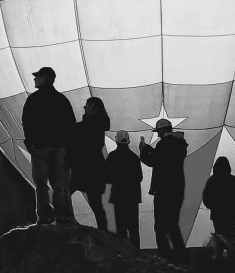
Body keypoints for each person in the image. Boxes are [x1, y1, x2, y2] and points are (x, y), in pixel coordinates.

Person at [21, 66, 76, 225]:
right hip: (59, 148)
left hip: (40, 148)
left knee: (40, 184)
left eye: (37, 76)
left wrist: (30, 143)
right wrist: (68, 148)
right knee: (60, 185)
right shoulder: (61, 100)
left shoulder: (33, 99)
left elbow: (27, 122)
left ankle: (44, 216)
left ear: (46, 78)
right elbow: (70, 125)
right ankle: (61, 216)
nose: (34, 79)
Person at [139, 118, 188, 261]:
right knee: (173, 224)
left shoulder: (164, 145)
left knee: (160, 226)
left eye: (158, 132)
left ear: (162, 131)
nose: (158, 135)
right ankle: (181, 254)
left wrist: (143, 150)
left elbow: (154, 161)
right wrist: (149, 149)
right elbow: (162, 158)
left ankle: (165, 255)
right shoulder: (179, 145)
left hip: (164, 190)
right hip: (177, 189)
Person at [69, 96, 110, 230]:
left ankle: (61, 220)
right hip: (93, 169)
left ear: (93, 107)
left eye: (87, 104)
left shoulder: (90, 125)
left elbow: (81, 142)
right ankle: (103, 233)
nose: (84, 107)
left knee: (64, 193)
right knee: (97, 205)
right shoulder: (97, 124)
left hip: (86, 168)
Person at [105, 130, 143, 246]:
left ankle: (124, 256)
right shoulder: (134, 157)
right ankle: (137, 256)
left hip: (118, 197)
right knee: (134, 229)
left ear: (116, 141)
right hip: (132, 198)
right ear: (128, 141)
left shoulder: (112, 157)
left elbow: (107, 177)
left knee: (121, 229)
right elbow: (139, 177)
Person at [202, 156, 235, 257]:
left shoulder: (212, 180)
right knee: (229, 238)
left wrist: (213, 207)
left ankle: (219, 258)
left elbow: (206, 198)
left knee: (219, 237)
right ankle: (231, 259)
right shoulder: (233, 180)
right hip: (229, 214)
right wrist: (233, 208)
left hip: (217, 215)